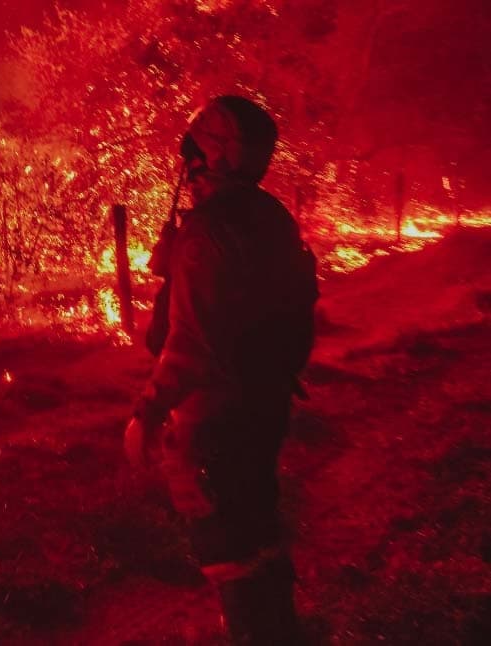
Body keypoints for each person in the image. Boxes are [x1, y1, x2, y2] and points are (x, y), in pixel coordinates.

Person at [124, 95, 318, 645]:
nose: (186, 167)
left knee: (227, 547)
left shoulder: (207, 236)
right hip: (265, 406)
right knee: (257, 533)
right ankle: (279, 631)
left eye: (193, 153)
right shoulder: (271, 217)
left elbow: (192, 344)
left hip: (214, 421)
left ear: (211, 155)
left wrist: (148, 410)